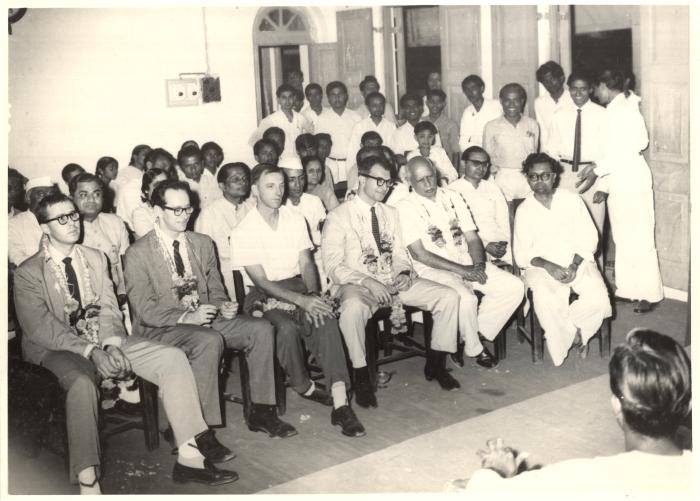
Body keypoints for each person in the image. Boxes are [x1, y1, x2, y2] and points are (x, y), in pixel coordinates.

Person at [14, 193, 239, 493]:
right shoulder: (29, 272)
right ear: (44, 227)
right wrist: (91, 351)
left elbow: (108, 307)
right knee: (82, 384)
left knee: (172, 358)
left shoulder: (95, 258)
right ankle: (88, 480)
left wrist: (109, 344)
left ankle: (189, 457)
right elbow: (40, 327)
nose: (72, 223)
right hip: (56, 349)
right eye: (62, 218)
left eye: (75, 215)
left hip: (102, 339)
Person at [124, 179, 296, 439]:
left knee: (260, 328)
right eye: (176, 210)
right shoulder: (138, 252)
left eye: (188, 209)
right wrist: (187, 316)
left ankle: (262, 411)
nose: (184, 216)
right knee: (208, 340)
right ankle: (200, 430)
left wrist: (222, 306)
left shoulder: (202, 243)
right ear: (158, 211)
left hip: (204, 318)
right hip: (161, 328)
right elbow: (144, 309)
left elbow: (215, 291)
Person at [462, 329, 692, 498]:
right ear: (689, 405)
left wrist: (496, 470)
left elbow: (485, 494)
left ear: (616, 406)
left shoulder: (581, 477)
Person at [231, 164, 365, 437]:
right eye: (270, 186)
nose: (279, 191)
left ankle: (341, 405)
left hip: (298, 287)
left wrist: (313, 296)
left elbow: (306, 264)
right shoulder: (244, 230)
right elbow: (262, 282)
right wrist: (301, 302)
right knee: (285, 328)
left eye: (281, 185)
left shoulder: (294, 218)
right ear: (255, 189)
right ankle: (303, 385)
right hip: (263, 297)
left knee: (324, 315)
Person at [322, 155, 461, 407]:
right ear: (361, 179)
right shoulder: (338, 216)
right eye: (379, 181)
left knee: (449, 296)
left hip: (393, 283)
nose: (384, 187)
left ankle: (436, 363)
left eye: (388, 183)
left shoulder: (392, 213)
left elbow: (399, 253)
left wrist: (404, 272)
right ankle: (361, 376)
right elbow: (333, 266)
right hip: (357, 286)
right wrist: (367, 281)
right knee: (352, 310)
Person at [397, 157, 523, 369]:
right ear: (410, 181)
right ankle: (476, 348)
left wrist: (479, 266)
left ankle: (471, 335)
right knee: (465, 298)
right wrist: (463, 271)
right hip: (432, 269)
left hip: (466, 260)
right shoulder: (405, 207)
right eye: (421, 180)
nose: (428, 184)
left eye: (431, 177)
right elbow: (420, 254)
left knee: (514, 287)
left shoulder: (453, 196)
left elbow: (472, 238)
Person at [577, 68, 664, 313]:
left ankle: (650, 293)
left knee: (640, 237)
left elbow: (635, 146)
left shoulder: (627, 110)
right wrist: (603, 185)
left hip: (633, 181)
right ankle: (629, 289)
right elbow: (609, 152)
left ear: (605, 86)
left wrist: (597, 171)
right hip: (618, 181)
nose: (595, 93)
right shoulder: (613, 110)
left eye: (596, 88)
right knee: (623, 237)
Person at [513, 153, 611, 366]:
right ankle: (576, 335)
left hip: (577, 261)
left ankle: (573, 329)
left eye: (545, 175)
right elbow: (522, 254)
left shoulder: (572, 200)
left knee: (600, 299)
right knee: (546, 301)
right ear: (527, 178)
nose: (539, 182)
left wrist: (574, 265)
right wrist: (549, 266)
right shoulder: (525, 210)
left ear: (555, 176)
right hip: (540, 267)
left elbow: (589, 238)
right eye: (533, 177)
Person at [546, 71, 608, 236]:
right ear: (568, 89)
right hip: (564, 174)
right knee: (564, 225)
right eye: (574, 89)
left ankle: (596, 263)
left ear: (590, 90)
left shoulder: (603, 115)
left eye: (583, 89)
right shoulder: (559, 115)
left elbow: (608, 153)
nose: (578, 93)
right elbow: (551, 150)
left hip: (592, 175)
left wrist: (604, 186)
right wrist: (553, 180)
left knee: (594, 229)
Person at [195, 162, 255, 298]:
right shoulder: (209, 214)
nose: (243, 183)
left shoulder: (252, 209)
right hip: (225, 278)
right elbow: (202, 256)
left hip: (254, 274)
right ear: (222, 186)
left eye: (245, 179)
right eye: (236, 179)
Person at [69, 173, 130, 303]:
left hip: (120, 297)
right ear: (71, 198)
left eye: (96, 194)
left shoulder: (115, 222)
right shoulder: (67, 230)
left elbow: (125, 264)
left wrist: (122, 292)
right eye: (83, 195)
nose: (91, 200)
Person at [483, 83, 539, 218]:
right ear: (501, 101)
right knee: (505, 218)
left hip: (526, 177)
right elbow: (487, 156)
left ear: (522, 101)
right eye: (507, 100)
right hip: (503, 177)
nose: (511, 104)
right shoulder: (491, 126)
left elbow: (535, 152)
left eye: (516, 100)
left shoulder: (532, 124)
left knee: (528, 216)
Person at [449, 147, 512, 266]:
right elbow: (456, 230)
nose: (481, 168)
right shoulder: (451, 190)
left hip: (499, 241)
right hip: (471, 244)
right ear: (463, 164)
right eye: (475, 163)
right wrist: (485, 245)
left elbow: (504, 222)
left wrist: (504, 243)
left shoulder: (493, 188)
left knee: (523, 259)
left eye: (484, 164)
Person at [315, 81, 362, 183]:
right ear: (328, 98)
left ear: (346, 96)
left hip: (353, 165)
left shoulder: (356, 117)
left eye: (340, 94)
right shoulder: (322, 119)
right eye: (333, 95)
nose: (337, 98)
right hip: (330, 165)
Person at [251, 84, 312, 159]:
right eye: (284, 97)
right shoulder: (270, 120)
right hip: (280, 162)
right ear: (278, 100)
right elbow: (254, 141)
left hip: (298, 161)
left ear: (294, 98)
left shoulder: (300, 118)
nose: (287, 101)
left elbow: (310, 135)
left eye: (290, 97)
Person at [347, 91, 397, 180]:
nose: (378, 108)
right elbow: (352, 152)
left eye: (381, 105)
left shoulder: (391, 126)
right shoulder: (360, 126)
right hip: (365, 168)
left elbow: (393, 151)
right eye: (374, 105)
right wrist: (352, 172)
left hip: (385, 168)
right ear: (367, 107)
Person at [9, 176, 57, 266]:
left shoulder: (60, 220)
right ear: (28, 198)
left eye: (51, 195)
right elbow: (17, 260)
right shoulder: (13, 224)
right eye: (41, 194)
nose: (48, 199)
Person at [534, 61, 574, 152]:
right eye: (545, 81)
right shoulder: (539, 103)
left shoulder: (574, 99)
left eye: (552, 79)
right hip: (550, 154)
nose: (549, 84)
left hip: (570, 155)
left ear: (562, 78)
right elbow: (543, 132)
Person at [389, 94, 442, 161]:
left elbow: (438, 152)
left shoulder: (431, 127)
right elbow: (397, 156)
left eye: (415, 106)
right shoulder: (398, 132)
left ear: (421, 108)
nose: (412, 109)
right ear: (403, 110)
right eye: (408, 106)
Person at [458, 75, 502, 153]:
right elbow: (463, 141)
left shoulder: (497, 106)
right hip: (474, 154)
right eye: (466, 89)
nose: (470, 92)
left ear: (482, 89)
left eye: (473, 88)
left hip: (495, 152)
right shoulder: (467, 112)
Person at [115, 144, 152, 230]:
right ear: (135, 157)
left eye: (149, 155)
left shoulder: (144, 173)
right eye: (144, 154)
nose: (147, 157)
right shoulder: (125, 173)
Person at [295, 133, 337, 209]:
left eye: (312, 150)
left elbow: (331, 197)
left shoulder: (324, 169)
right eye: (305, 150)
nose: (309, 154)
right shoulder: (293, 170)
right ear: (298, 151)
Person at [176, 144, 222, 211]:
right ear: (181, 168)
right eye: (188, 166)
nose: (193, 169)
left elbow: (219, 202)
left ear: (202, 164)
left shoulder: (211, 181)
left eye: (196, 164)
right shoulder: (179, 186)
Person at [424, 89, 461, 167]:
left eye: (438, 102)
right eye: (432, 101)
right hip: (425, 166)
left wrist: (455, 174)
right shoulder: (421, 122)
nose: (435, 105)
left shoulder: (451, 125)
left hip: (444, 167)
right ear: (427, 103)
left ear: (444, 104)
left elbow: (456, 152)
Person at [131, 168, 169, 239]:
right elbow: (152, 240)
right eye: (157, 185)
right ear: (146, 190)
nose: (163, 188)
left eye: (165, 184)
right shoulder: (140, 213)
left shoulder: (174, 206)